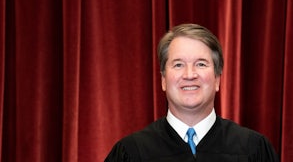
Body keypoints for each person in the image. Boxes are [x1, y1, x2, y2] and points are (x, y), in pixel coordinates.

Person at [105, 23, 279, 162]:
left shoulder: (253, 150)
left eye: (201, 64)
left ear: (217, 79)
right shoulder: (131, 153)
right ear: (163, 80)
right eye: (178, 64)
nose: (189, 75)